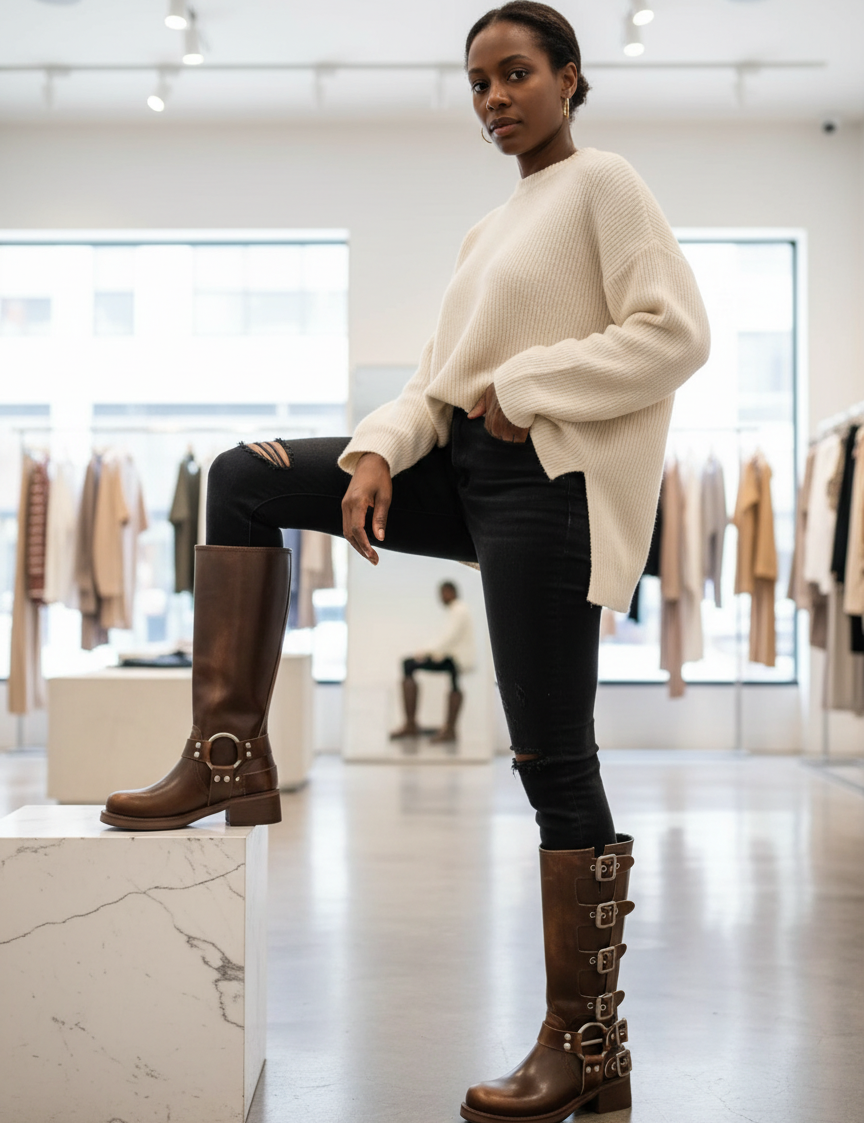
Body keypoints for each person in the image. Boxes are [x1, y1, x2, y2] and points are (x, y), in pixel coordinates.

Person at [101, 3, 710, 1118]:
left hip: (551, 490)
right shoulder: (492, 232)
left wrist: (527, 393)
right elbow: (439, 379)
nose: (493, 99)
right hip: (465, 470)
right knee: (248, 475)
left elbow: (675, 334)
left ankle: (587, 1044)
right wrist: (380, 450)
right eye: (477, 82)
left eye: (515, 74)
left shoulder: (604, 184)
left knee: (552, 761)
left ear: (570, 79)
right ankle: (229, 748)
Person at [390, 579, 475, 743]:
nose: (441, 597)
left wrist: (426, 652)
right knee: (454, 683)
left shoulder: (458, 610)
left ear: (451, 592)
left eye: (443, 593)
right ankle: (445, 729)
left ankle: (413, 725)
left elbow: (450, 637)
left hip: (455, 659)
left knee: (409, 664)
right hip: (453, 657)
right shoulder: (457, 610)